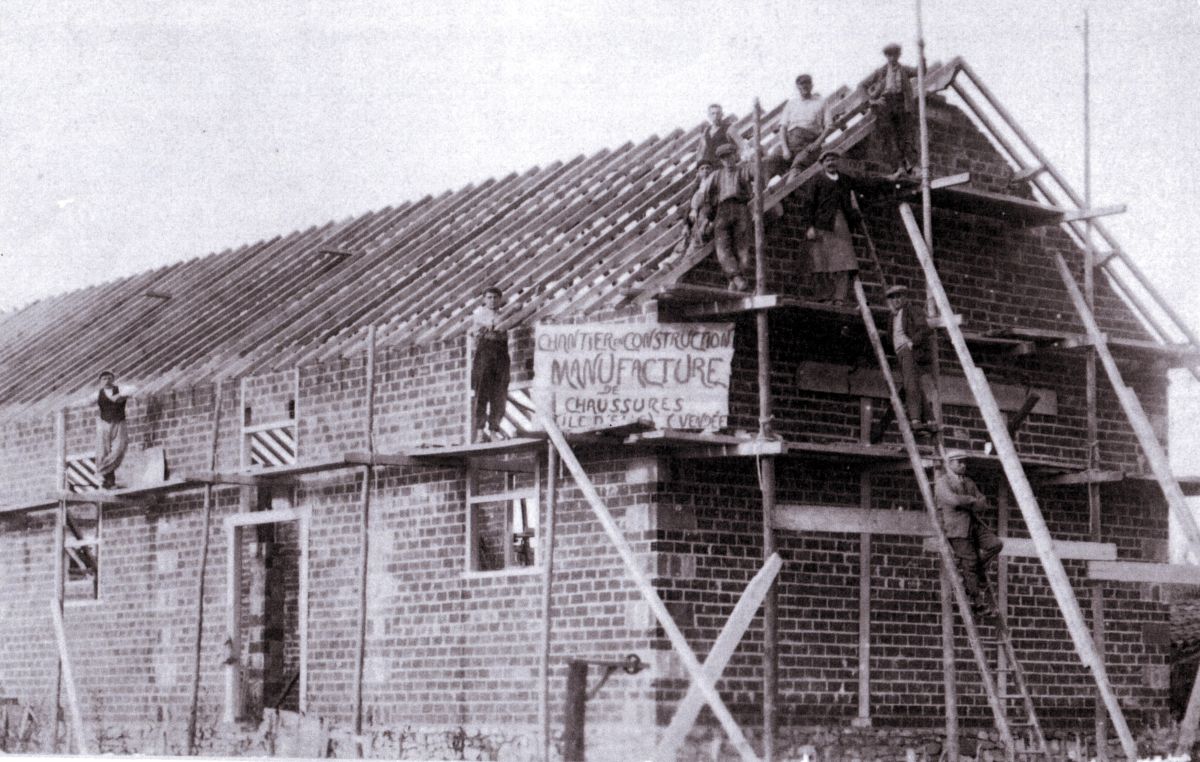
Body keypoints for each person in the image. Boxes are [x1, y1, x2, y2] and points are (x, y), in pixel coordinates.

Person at [797, 150, 899, 304]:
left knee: (844, 261)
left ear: (838, 162)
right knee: (820, 263)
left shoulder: (845, 180)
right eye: (827, 160)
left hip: (841, 223)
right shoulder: (816, 180)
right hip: (821, 225)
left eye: (833, 160)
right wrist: (809, 226)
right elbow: (808, 204)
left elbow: (866, 184)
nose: (831, 163)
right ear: (822, 164)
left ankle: (839, 297)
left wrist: (889, 179)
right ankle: (823, 296)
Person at [934, 450, 1004, 618]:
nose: (963, 465)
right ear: (949, 463)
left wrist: (967, 502)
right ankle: (978, 603)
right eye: (959, 462)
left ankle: (978, 570)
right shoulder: (943, 482)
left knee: (995, 544)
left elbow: (983, 504)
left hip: (974, 525)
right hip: (956, 528)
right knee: (969, 562)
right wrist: (971, 501)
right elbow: (952, 500)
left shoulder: (969, 482)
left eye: (965, 462)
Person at [697, 143, 755, 291]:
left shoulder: (744, 170)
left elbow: (757, 175)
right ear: (721, 161)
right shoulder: (716, 175)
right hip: (722, 210)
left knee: (743, 249)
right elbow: (706, 199)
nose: (727, 160)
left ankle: (734, 282)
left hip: (741, 208)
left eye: (730, 156)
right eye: (724, 158)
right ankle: (736, 278)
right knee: (722, 247)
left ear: (735, 156)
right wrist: (706, 219)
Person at [886, 284, 936, 432]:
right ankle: (930, 420)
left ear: (905, 297)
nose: (896, 300)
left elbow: (925, 329)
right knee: (915, 385)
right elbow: (890, 337)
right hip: (900, 353)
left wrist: (912, 342)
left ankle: (915, 419)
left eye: (899, 296)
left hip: (908, 352)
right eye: (893, 298)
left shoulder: (912, 310)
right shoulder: (892, 316)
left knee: (910, 385)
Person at [864, 43, 918, 178]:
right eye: (889, 55)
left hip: (901, 103)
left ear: (899, 55)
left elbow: (920, 71)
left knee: (904, 135)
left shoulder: (904, 70)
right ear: (886, 56)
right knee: (890, 136)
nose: (892, 58)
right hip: (886, 103)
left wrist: (922, 56)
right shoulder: (881, 71)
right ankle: (898, 167)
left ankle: (911, 167)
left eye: (895, 54)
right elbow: (862, 86)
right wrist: (872, 101)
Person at [769, 74, 831, 181]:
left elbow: (829, 126)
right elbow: (783, 128)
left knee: (798, 165)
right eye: (802, 84)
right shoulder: (792, 103)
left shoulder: (821, 101)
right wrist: (785, 149)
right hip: (791, 141)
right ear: (797, 87)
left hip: (809, 143)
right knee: (772, 157)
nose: (805, 87)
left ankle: (789, 192)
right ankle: (758, 194)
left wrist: (817, 143)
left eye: (807, 84)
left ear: (812, 85)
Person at [470, 287, 510, 442]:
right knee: (482, 391)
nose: (492, 301)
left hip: (501, 353)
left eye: (495, 298)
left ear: (500, 299)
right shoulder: (480, 314)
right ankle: (480, 431)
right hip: (485, 353)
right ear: (484, 300)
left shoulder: (503, 314)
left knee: (499, 393)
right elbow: (493, 325)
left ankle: (494, 430)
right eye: (489, 297)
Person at [95, 371, 131, 489]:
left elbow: (133, 389)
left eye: (109, 378)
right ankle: (109, 481)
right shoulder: (98, 393)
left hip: (119, 421)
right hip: (104, 423)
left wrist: (121, 396)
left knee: (120, 448)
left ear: (113, 379)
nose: (107, 380)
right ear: (100, 381)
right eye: (104, 378)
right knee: (103, 451)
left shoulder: (120, 389)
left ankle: (101, 470)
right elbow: (85, 401)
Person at [693, 103, 747, 177]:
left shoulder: (729, 128)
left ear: (722, 114)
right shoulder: (706, 131)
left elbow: (742, 145)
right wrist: (699, 167)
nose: (715, 116)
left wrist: (737, 159)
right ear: (709, 116)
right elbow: (701, 151)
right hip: (711, 169)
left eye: (718, 113)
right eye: (713, 114)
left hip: (725, 167)